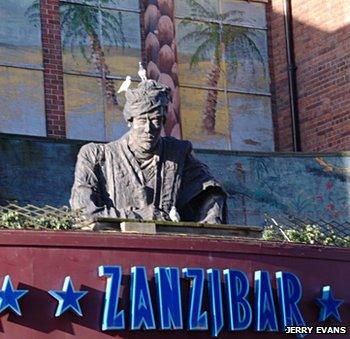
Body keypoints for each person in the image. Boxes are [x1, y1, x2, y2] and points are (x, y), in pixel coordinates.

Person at [70, 79, 227, 223]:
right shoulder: (95, 156)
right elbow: (84, 213)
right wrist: (142, 216)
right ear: (130, 121)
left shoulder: (177, 153)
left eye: (156, 120)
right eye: (142, 120)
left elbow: (211, 191)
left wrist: (211, 220)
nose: (149, 129)